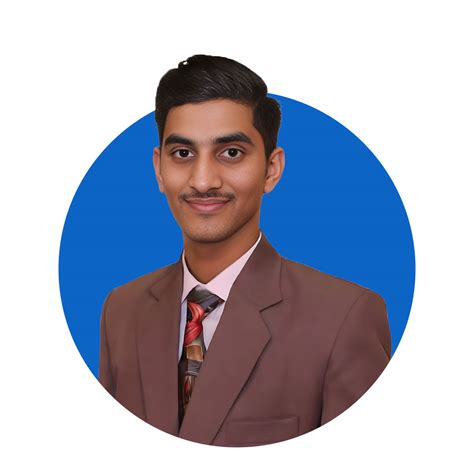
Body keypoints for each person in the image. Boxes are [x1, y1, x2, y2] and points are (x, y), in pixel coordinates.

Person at [99, 54, 391, 447]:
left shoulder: (346, 318)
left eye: (231, 152)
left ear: (272, 169)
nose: (203, 181)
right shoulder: (121, 310)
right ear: (158, 169)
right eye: (183, 153)